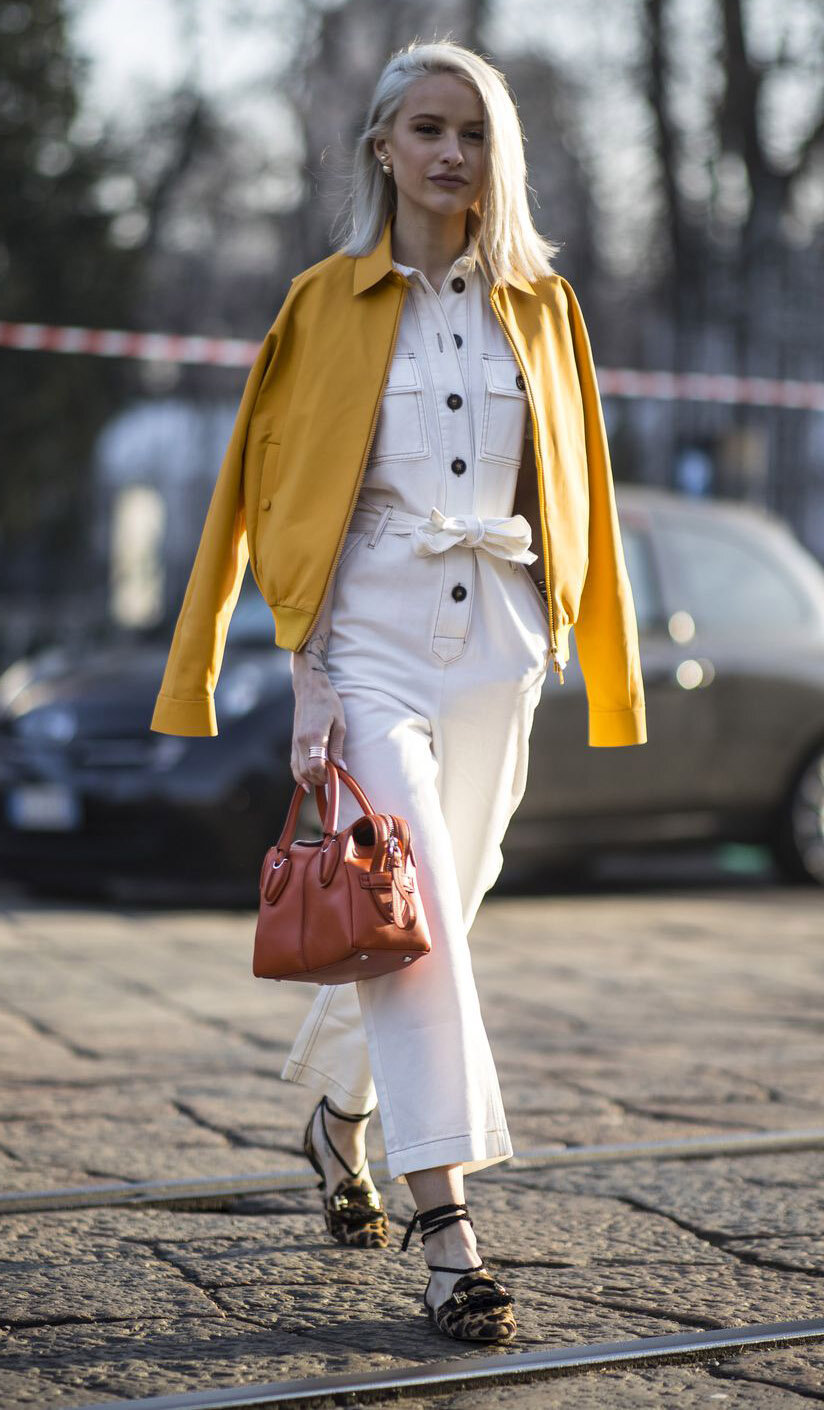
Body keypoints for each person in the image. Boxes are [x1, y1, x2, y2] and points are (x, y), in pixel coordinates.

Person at [150, 38, 646, 1344]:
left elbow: (579, 475)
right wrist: (300, 666)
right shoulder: (320, 302)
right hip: (366, 636)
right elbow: (264, 491)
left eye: (474, 133)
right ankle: (450, 1230)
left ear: (499, 157)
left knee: (437, 910)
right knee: (415, 926)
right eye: (428, 128)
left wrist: (572, 639)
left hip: (498, 641)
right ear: (383, 145)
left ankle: (340, 1116)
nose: (451, 153)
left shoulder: (542, 302)